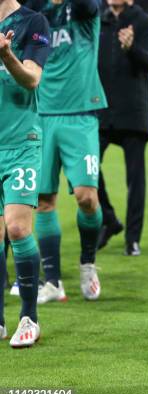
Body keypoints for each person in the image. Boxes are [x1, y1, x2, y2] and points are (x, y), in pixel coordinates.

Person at [28, 0, 107, 304]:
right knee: (45, 200)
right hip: (42, 114)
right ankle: (52, 282)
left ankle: (88, 263)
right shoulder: (39, 13)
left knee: (87, 196)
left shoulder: (85, 10)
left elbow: (88, 5)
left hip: (81, 114)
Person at [0, 0, 50, 347]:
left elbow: (32, 78)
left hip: (22, 142)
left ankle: (29, 317)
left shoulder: (34, 21)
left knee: (17, 227)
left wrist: (6, 55)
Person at [96, 0, 148, 256]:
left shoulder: (145, 23)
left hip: (133, 110)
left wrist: (131, 48)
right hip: (100, 109)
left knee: (134, 179)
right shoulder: (98, 20)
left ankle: (132, 239)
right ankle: (109, 218)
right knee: (86, 169)